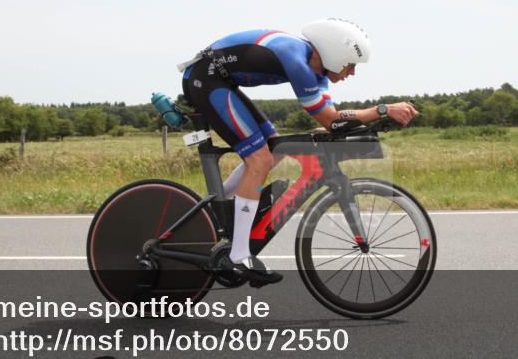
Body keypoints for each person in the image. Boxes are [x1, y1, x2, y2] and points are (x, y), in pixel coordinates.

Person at [178, 18, 419, 285]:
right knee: (259, 160)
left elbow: (336, 120)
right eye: (350, 64)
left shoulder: (317, 74)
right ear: (335, 53)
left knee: (276, 147)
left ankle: (214, 212)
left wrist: (370, 122)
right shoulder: (297, 60)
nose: (351, 72)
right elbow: (330, 120)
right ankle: (238, 255)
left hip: (219, 81)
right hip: (205, 79)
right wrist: (382, 110)